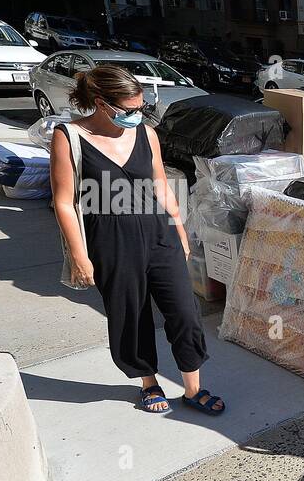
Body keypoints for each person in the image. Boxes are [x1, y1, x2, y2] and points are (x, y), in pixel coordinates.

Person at [49, 64, 225, 415]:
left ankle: (193, 389)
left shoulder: (146, 134)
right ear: (101, 103)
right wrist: (80, 255)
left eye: (141, 108)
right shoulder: (68, 136)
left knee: (185, 313)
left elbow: (162, 185)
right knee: (131, 314)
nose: (137, 116)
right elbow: (64, 202)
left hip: (160, 235)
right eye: (129, 110)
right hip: (111, 242)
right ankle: (148, 381)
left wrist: (180, 229)